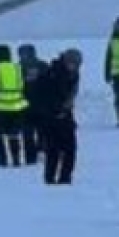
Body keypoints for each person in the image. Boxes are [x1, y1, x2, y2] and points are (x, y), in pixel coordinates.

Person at [30, 48, 82, 184]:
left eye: (76, 64)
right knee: (53, 151)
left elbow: (70, 96)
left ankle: (65, 178)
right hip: (50, 118)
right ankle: (50, 179)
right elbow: (41, 96)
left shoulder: (74, 75)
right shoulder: (52, 74)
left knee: (70, 150)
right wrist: (53, 111)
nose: (74, 66)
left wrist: (66, 110)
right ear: (65, 61)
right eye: (71, 63)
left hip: (65, 116)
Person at [17, 43, 49, 164]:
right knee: (41, 131)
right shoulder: (43, 65)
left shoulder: (17, 68)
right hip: (41, 105)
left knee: (28, 133)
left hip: (25, 105)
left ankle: (31, 157)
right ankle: (41, 150)